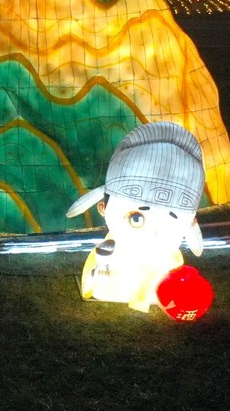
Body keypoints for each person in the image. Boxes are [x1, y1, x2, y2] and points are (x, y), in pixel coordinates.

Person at [65, 121, 209, 317]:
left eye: (171, 223)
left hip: (159, 279)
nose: (153, 233)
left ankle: (156, 293)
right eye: (136, 218)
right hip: (115, 280)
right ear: (103, 208)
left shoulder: (168, 256)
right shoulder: (111, 247)